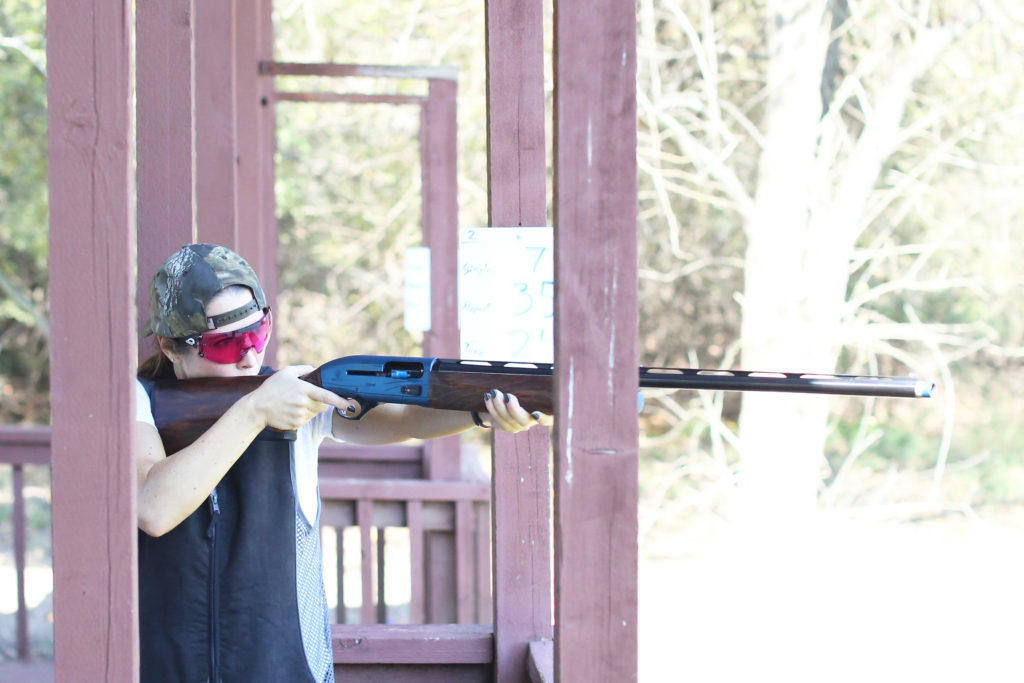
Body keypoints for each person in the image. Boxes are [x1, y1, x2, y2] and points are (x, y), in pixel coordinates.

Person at [134, 243, 549, 683]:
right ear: (170, 345)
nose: (250, 356)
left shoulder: (295, 395)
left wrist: (480, 409)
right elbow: (154, 509)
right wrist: (255, 411)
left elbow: (406, 415)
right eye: (224, 344)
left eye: (258, 333)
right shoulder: (141, 402)